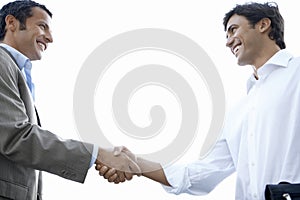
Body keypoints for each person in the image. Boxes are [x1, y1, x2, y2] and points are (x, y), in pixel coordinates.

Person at [97, 2, 300, 199]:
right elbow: (198, 175)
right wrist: (135, 163)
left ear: (263, 25)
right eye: (227, 35)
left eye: (234, 29)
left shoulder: (296, 74)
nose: (228, 42)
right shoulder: (237, 113)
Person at [0, 1, 140, 199]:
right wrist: (97, 154)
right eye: (42, 26)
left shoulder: (15, 70)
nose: (50, 37)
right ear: (11, 23)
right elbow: (16, 137)